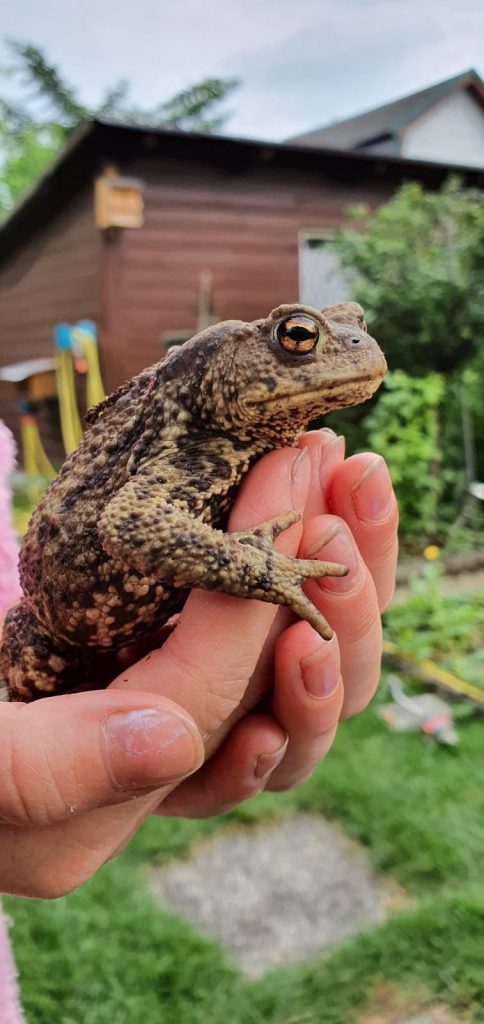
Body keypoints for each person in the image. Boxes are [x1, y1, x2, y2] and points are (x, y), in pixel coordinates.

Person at [0, 428, 398, 900]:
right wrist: (254, 569)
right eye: (297, 346)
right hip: (50, 632)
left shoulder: (241, 441)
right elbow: (129, 523)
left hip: (103, 629)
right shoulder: (199, 439)